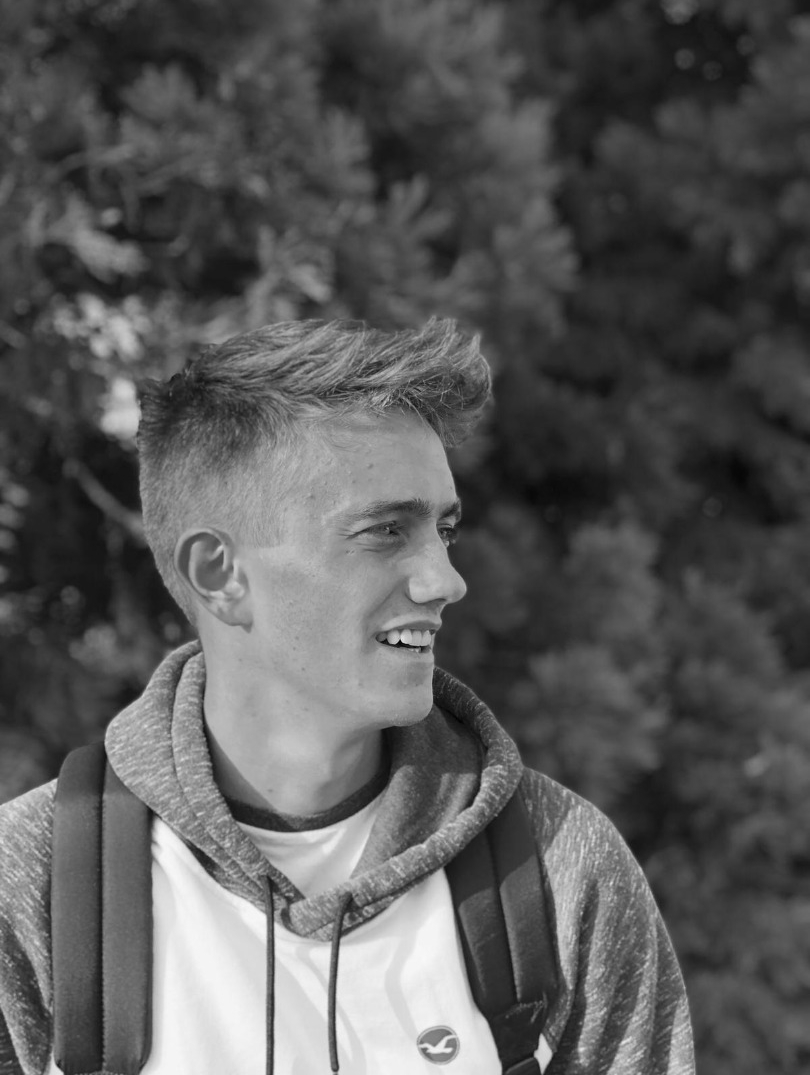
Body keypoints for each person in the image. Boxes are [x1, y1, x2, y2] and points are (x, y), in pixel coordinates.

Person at [0, 318, 694, 1074]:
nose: (445, 580)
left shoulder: (561, 866)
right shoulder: (32, 890)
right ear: (219, 574)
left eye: (445, 529)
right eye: (385, 531)